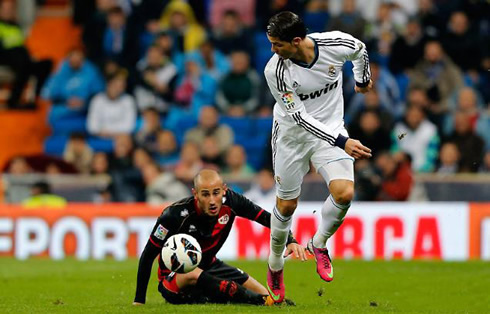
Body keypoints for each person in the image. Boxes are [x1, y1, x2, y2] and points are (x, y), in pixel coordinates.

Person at [263, 11, 372, 303]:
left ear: (296, 41)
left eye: (277, 44)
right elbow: (298, 117)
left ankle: (318, 243)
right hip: (292, 136)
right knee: (286, 206)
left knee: (345, 192)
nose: (273, 50)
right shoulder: (276, 71)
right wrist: (343, 141)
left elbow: (360, 49)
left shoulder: (335, 44)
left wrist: (362, 79)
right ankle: (275, 266)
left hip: (332, 129)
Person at [133, 169, 305, 306]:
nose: (212, 200)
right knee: (193, 273)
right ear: (196, 194)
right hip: (174, 279)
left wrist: (290, 239)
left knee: (271, 297)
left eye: (216, 193)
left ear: (224, 189)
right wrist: (139, 301)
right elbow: (148, 255)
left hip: (209, 265)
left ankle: (263, 300)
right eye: (205, 194)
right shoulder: (174, 215)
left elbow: (266, 218)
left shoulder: (232, 201)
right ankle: (255, 301)